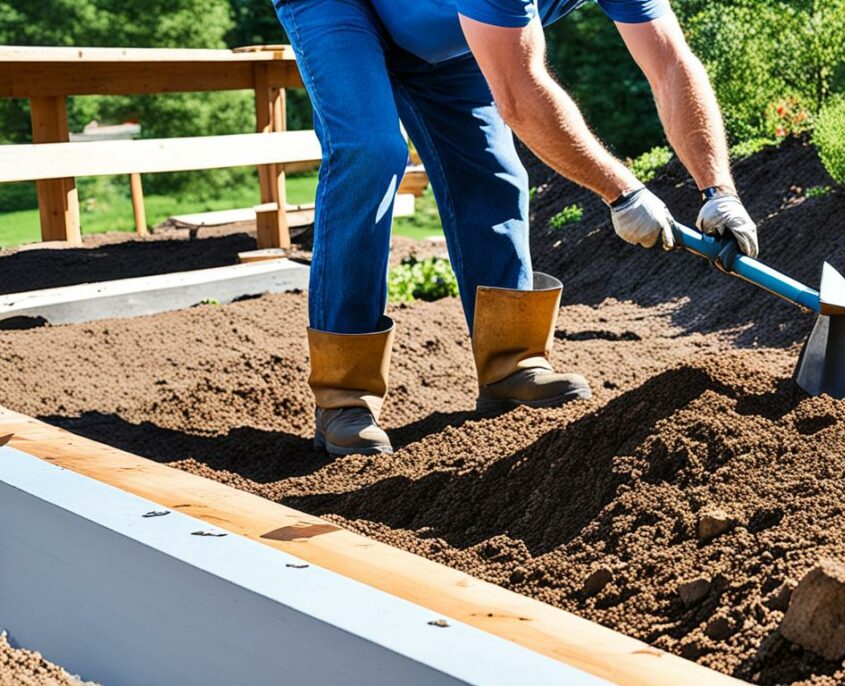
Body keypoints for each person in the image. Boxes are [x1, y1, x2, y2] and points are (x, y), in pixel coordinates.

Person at [273, 0, 760, 456]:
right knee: (372, 152)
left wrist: (718, 190)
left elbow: (670, 62)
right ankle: (344, 396)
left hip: (449, 33)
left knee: (493, 172)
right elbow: (520, 97)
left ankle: (511, 363)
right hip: (338, 6)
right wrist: (623, 192)